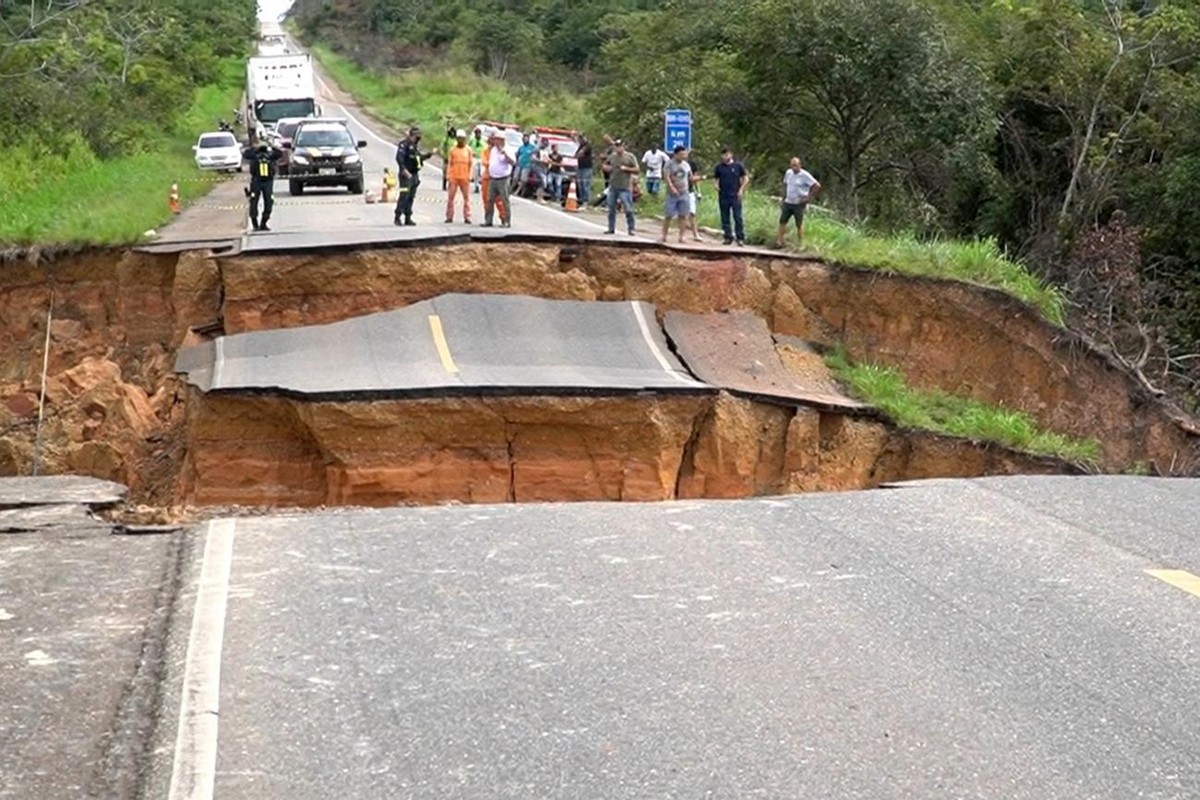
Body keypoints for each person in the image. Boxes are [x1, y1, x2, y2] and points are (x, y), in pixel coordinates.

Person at [775, 156, 821, 247]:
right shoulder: (788, 173)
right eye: (792, 165)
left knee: (799, 224)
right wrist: (783, 197)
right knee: (782, 221)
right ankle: (779, 241)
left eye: (796, 165)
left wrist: (808, 197)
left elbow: (817, 185)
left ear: (800, 165)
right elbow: (785, 185)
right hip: (788, 202)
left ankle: (800, 243)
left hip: (799, 203)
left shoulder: (805, 175)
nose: (794, 168)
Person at [242, 140, 282, 232]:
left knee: (269, 202)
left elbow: (279, 153)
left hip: (268, 182)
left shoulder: (270, 155)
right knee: (253, 202)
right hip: (256, 181)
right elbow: (245, 154)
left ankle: (264, 223)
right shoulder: (254, 155)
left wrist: (272, 146)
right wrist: (254, 148)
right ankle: (255, 224)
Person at [394, 126, 430, 226]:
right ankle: (397, 217)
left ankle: (408, 217)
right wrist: (404, 170)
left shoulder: (415, 147)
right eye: (417, 135)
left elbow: (419, 158)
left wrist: (428, 155)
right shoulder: (404, 145)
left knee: (411, 197)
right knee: (404, 196)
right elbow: (399, 158)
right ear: (412, 135)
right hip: (406, 175)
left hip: (414, 175)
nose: (419, 137)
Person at [713, 147, 749, 245]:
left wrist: (741, 189)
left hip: (735, 195)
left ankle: (740, 237)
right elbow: (715, 178)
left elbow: (746, 178)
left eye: (727, 154)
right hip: (723, 195)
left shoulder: (738, 166)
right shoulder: (719, 167)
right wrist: (716, 186)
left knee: (737, 217)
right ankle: (728, 237)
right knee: (725, 217)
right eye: (724, 155)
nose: (725, 156)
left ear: (731, 154)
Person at [604, 138, 639, 235]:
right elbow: (605, 165)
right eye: (616, 146)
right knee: (611, 208)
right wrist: (607, 168)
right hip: (613, 186)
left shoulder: (630, 157)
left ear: (623, 147)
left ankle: (631, 228)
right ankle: (611, 228)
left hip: (625, 187)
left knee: (628, 209)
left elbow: (637, 169)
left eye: (620, 146)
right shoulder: (612, 157)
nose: (618, 148)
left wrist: (626, 169)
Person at [483, 131, 515, 227]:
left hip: (503, 179)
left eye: (496, 139)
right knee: (489, 200)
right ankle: (488, 220)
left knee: (504, 200)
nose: (494, 141)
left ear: (502, 140)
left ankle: (506, 221)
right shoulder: (493, 150)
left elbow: (513, 162)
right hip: (493, 178)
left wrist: (505, 155)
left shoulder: (508, 149)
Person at [660, 145, 692, 243]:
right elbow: (667, 177)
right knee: (668, 215)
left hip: (684, 192)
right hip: (672, 194)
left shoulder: (686, 165)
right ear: (676, 154)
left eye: (685, 154)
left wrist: (698, 179)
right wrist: (672, 188)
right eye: (682, 154)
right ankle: (664, 236)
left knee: (683, 215)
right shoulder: (669, 164)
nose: (684, 156)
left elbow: (690, 177)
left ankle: (682, 236)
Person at [445, 129, 473, 224]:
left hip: (464, 177)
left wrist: (470, 176)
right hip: (454, 177)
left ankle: (467, 217)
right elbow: (450, 163)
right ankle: (449, 216)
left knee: (466, 198)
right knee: (450, 198)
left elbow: (471, 164)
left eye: (462, 139)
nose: (460, 140)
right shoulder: (453, 150)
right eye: (459, 138)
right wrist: (448, 175)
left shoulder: (468, 150)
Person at [686, 150, 704, 241]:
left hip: (690, 191)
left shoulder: (692, 165)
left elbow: (694, 179)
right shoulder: (675, 164)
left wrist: (698, 192)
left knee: (692, 213)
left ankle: (695, 234)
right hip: (679, 192)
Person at [575, 134, 594, 206]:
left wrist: (579, 155)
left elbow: (581, 153)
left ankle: (586, 200)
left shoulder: (588, 145)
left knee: (585, 184)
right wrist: (578, 155)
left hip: (587, 167)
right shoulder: (580, 146)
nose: (579, 141)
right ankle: (582, 199)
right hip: (580, 167)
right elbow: (576, 155)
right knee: (580, 184)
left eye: (580, 139)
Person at [468, 127, 486, 193]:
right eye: (476, 133)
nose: (477, 134)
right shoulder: (472, 140)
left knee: (482, 172)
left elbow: (486, 148)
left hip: (481, 158)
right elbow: (468, 147)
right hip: (475, 157)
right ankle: (476, 186)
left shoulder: (484, 140)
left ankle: (483, 186)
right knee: (475, 173)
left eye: (479, 133)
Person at [440, 125, 457, 190]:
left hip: (454, 159)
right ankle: (444, 185)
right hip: (447, 158)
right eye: (451, 132)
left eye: (453, 132)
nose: (452, 134)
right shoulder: (446, 139)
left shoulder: (456, 140)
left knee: (452, 173)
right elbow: (442, 147)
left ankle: (451, 185)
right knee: (445, 171)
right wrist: (443, 155)